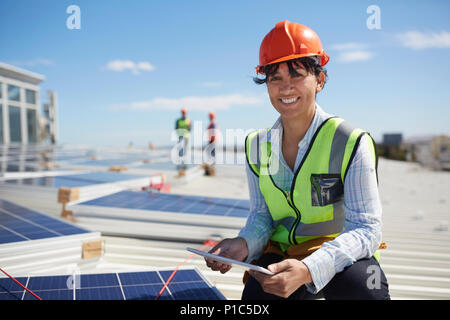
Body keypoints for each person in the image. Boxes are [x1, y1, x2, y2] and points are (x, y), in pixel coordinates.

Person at [204, 20, 390, 300]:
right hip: (281, 254)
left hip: (336, 252)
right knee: (256, 296)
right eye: (275, 77)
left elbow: (367, 229)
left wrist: (309, 268)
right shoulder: (256, 146)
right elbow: (262, 216)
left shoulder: (351, 142)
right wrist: (243, 244)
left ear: (319, 80)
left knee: (365, 288)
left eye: (297, 74)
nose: (285, 88)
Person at [175, 108, 191, 173]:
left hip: (186, 136)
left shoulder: (188, 120)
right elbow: (176, 128)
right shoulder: (178, 120)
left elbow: (190, 128)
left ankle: (184, 162)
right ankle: (180, 162)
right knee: (180, 149)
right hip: (180, 136)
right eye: (183, 113)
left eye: (184, 113)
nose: (184, 114)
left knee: (185, 149)